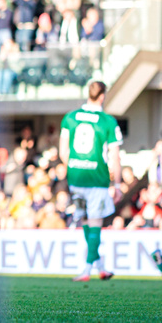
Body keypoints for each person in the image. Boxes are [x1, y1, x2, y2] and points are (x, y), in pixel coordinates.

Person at [58, 81, 122, 282]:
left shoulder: (70, 117)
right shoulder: (108, 121)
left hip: (76, 178)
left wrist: (75, 167)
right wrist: (117, 184)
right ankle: (87, 270)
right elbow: (115, 156)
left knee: (85, 220)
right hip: (97, 179)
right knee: (95, 222)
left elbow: (63, 152)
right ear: (102, 96)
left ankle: (100, 267)